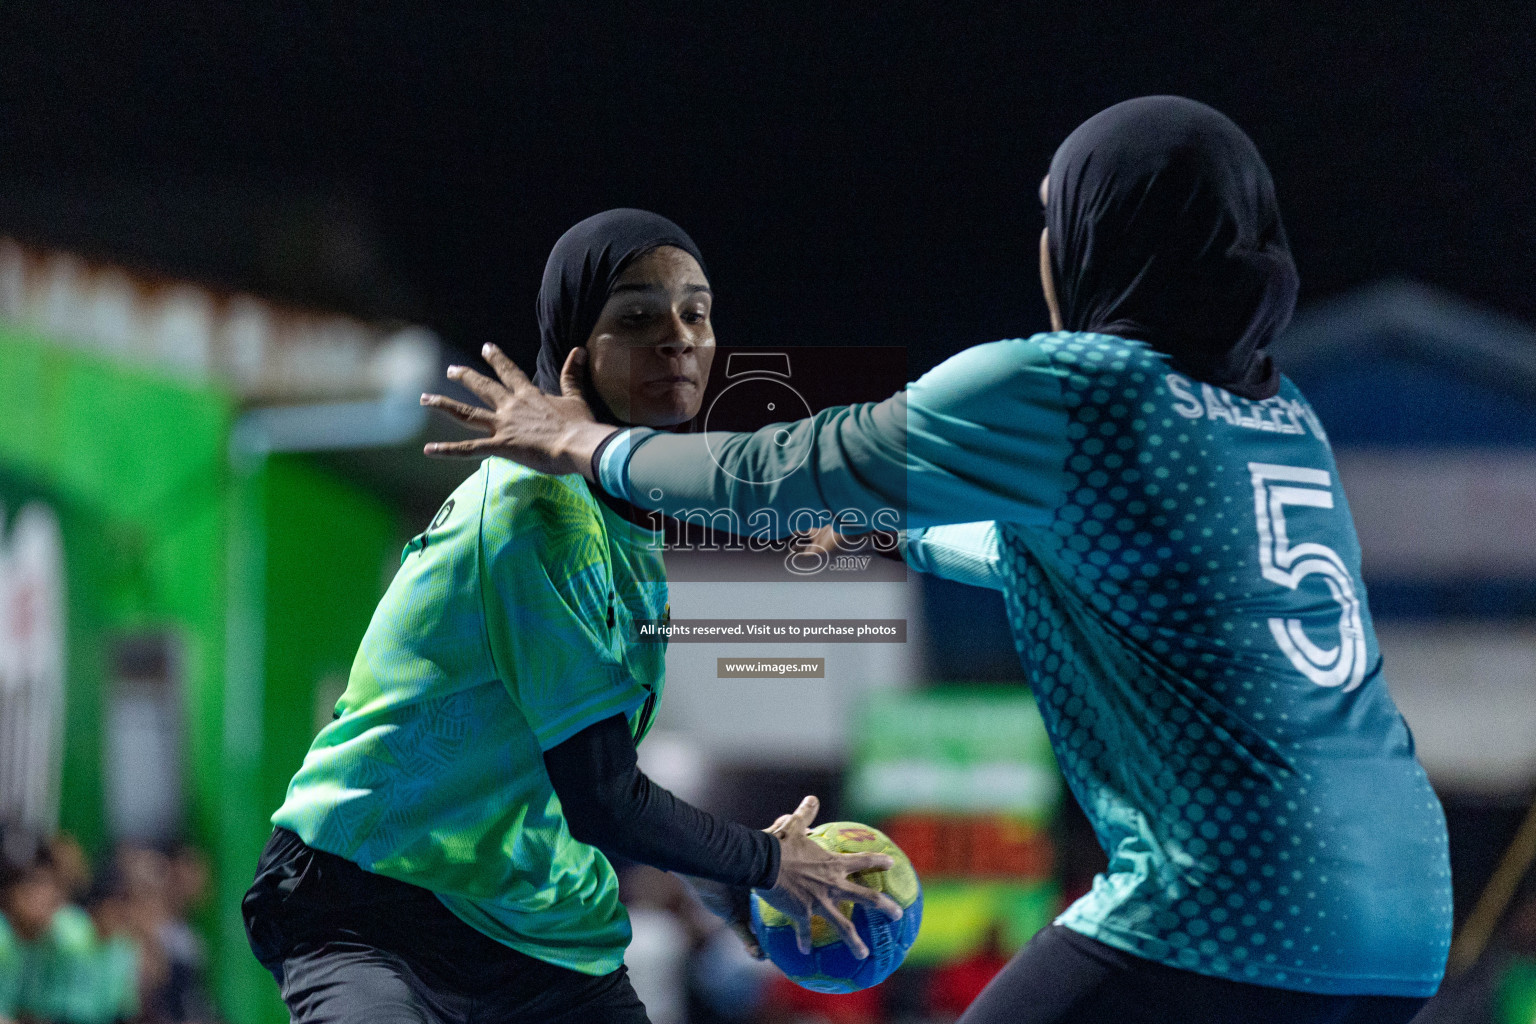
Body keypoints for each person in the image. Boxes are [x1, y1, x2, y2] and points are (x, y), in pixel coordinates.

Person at [420, 98, 1452, 1024]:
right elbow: (1054, 559)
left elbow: (791, 464)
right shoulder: (1276, 413)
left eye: (1059, 218)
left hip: (1238, 905)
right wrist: (885, 532)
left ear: (1099, 239)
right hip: (1405, 915)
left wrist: (586, 445)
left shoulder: (1073, 388)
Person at [245, 209, 900, 1024]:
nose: (679, 339)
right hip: (374, 902)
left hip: (536, 930)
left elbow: (580, 773)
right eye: (638, 317)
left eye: (696, 313)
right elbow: (602, 797)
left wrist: (719, 874)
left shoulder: (621, 526)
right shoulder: (539, 514)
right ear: (576, 351)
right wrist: (765, 862)